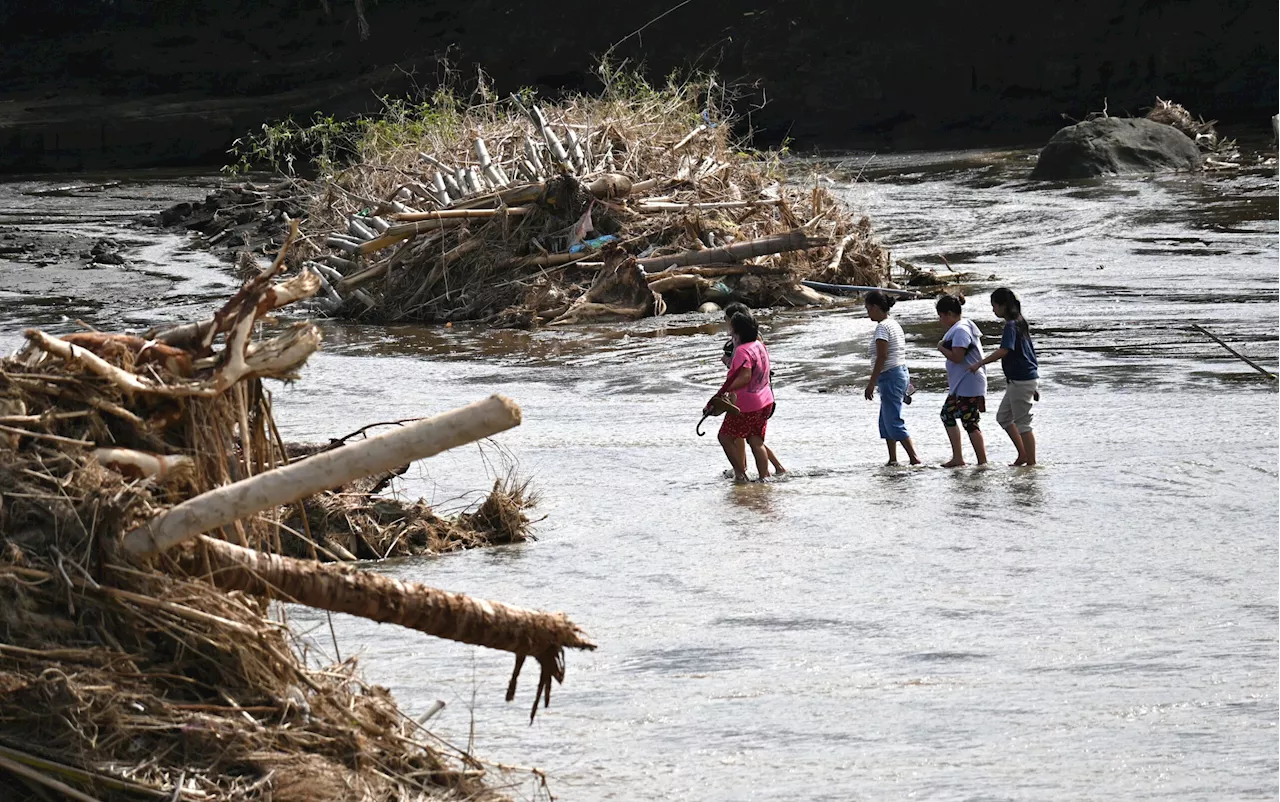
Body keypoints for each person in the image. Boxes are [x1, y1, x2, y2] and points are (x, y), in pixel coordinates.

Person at [968, 287, 1039, 466]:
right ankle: (1023, 455)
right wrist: (1034, 383)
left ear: (1004, 306)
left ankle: (1031, 463)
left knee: (1023, 423)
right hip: (1022, 379)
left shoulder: (1011, 325)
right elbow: (1028, 352)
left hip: (1021, 379)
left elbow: (1004, 350)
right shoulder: (1019, 321)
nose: (993, 310)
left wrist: (980, 363)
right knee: (1004, 417)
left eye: (995, 306)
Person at [711, 313, 782, 481]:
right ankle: (764, 478)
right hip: (766, 401)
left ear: (738, 332)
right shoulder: (759, 345)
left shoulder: (742, 351)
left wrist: (722, 392)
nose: (730, 334)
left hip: (747, 405)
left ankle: (741, 475)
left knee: (724, 437)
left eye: (732, 329)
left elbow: (745, 377)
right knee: (756, 441)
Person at [862, 290, 920, 465]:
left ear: (875, 307)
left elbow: (882, 356)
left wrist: (871, 383)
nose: (867, 313)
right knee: (885, 420)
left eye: (868, 309)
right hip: (899, 373)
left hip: (891, 375)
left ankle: (914, 458)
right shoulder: (893, 324)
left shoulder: (883, 328)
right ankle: (893, 459)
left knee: (893, 420)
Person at [935, 294, 988, 467]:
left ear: (949, 313)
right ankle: (958, 457)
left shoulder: (961, 330)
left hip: (969, 384)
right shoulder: (961, 327)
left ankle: (982, 462)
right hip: (961, 384)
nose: (940, 320)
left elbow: (957, 357)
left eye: (941, 316)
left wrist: (941, 348)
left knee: (970, 421)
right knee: (947, 414)